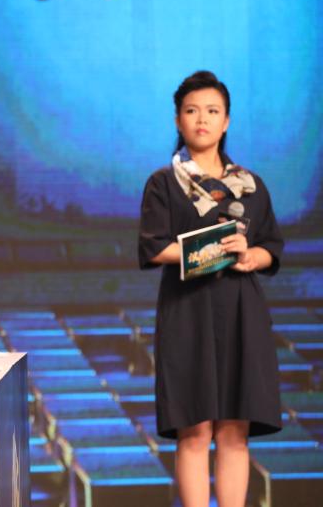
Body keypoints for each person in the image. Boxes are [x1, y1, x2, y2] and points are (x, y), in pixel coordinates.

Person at [138, 71, 283, 507]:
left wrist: (249, 255)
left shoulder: (251, 185)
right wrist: (207, 251)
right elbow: (153, 247)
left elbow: (271, 247)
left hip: (242, 312)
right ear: (178, 120)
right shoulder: (164, 182)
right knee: (195, 429)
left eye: (212, 111)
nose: (202, 119)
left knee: (235, 431)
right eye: (192, 111)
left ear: (227, 121)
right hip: (188, 311)